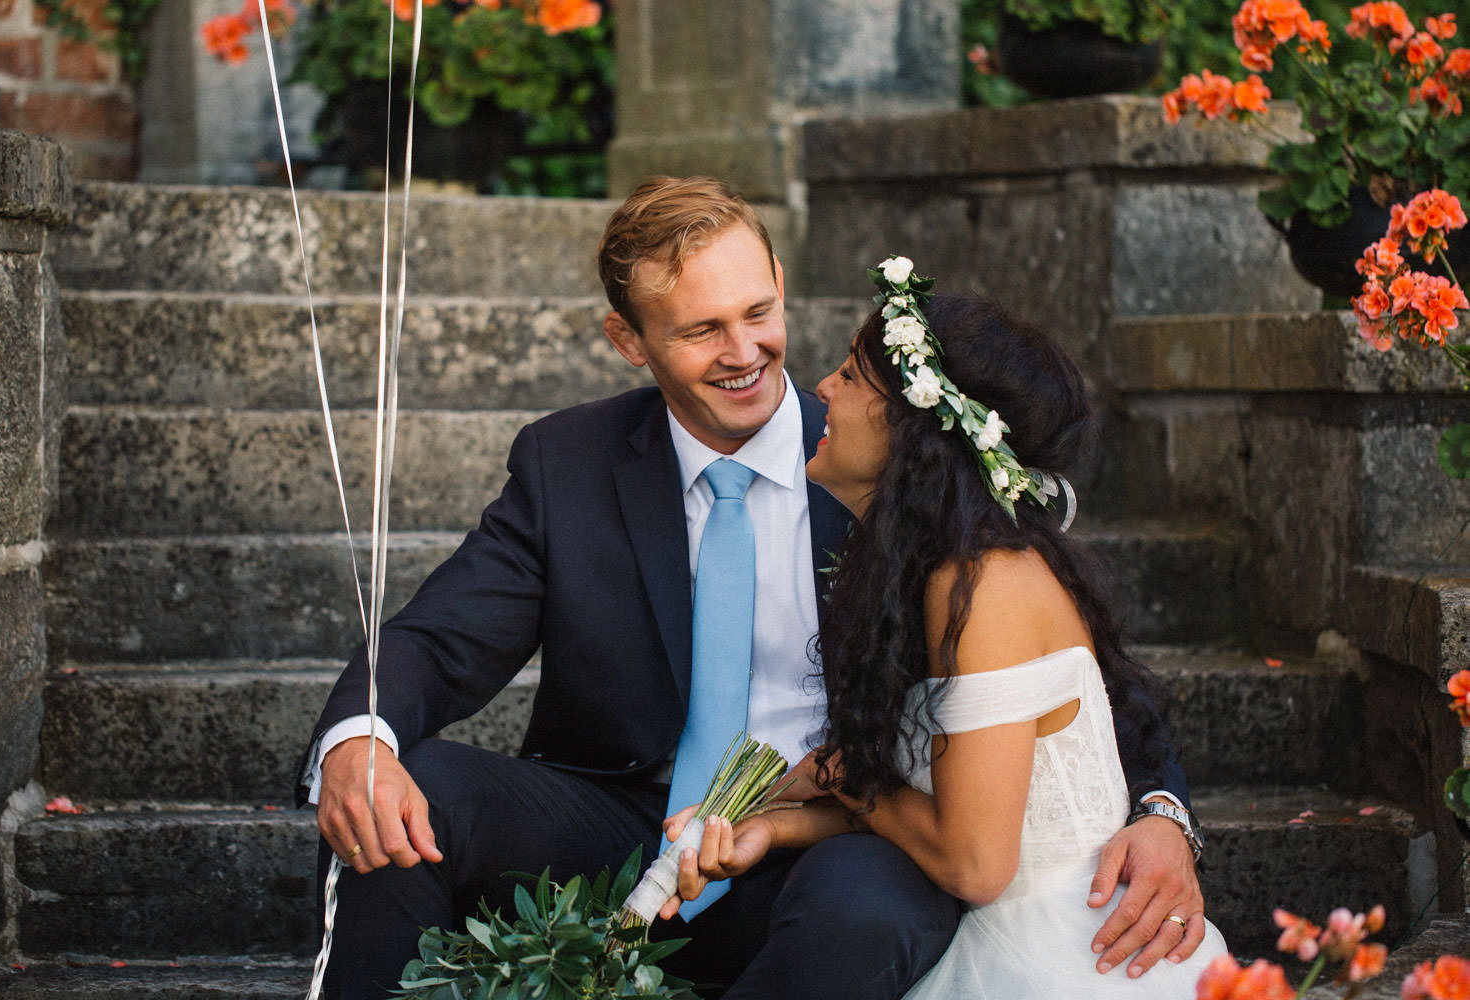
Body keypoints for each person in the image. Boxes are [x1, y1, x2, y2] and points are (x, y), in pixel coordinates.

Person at [296, 178, 1208, 999]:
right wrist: (355, 742)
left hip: (831, 840)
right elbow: (439, 638)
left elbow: (1065, 669)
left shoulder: (890, 460)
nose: (747, 353)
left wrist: (1160, 812)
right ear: (629, 340)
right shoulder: (565, 463)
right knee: (409, 789)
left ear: (780, 282)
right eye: (700, 330)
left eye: (759, 311)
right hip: (627, 822)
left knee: (879, 904)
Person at [660, 262, 1228, 997]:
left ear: (916, 426)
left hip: (1064, 951)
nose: (822, 389)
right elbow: (934, 813)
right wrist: (775, 828)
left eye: (853, 376)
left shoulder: (983, 585)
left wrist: (845, 778)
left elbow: (974, 864)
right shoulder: (926, 570)